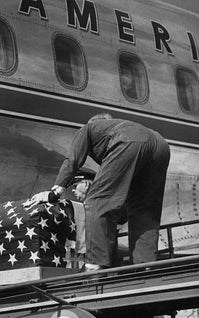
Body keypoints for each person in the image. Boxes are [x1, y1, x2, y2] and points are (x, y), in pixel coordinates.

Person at [26, 113, 170, 271]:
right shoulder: (123, 128)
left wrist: (55, 192)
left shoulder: (88, 129)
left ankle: (95, 265)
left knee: (96, 200)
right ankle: (146, 266)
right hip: (161, 145)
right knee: (144, 210)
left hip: (130, 141)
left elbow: (72, 160)